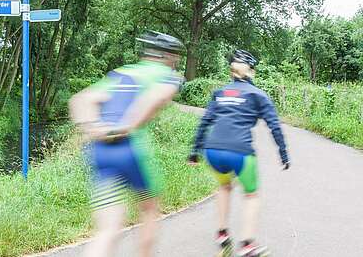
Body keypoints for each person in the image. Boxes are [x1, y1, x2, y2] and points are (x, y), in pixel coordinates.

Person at [69, 31, 184, 257]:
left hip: (99, 151)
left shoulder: (121, 72)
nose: (176, 62)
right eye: (176, 57)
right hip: (130, 148)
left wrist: (93, 128)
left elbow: (81, 100)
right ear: (169, 56)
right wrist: (124, 127)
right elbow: (156, 97)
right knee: (150, 209)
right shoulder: (169, 75)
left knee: (108, 228)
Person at [188, 50, 290, 257]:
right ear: (251, 71)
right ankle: (247, 246)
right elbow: (274, 126)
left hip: (212, 151)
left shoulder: (220, 93)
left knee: (224, 187)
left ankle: (222, 234)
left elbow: (205, 122)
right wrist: (283, 154)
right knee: (251, 195)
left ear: (231, 71)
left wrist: (194, 151)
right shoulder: (259, 95)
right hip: (240, 152)